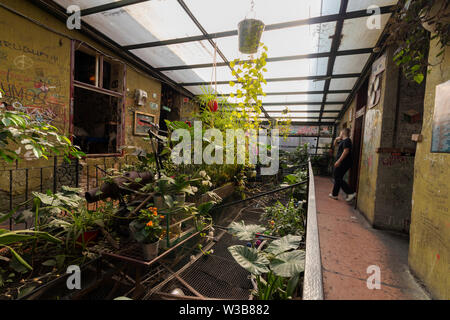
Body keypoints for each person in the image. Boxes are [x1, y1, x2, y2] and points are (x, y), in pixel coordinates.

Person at [329, 128, 357, 202]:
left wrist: (339, 161)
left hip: (343, 162)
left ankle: (350, 193)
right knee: (338, 178)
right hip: (342, 162)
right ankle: (334, 194)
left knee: (337, 177)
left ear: (343, 133)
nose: (340, 134)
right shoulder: (343, 141)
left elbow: (346, 151)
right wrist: (336, 139)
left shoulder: (347, 140)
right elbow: (335, 145)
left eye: (340, 132)